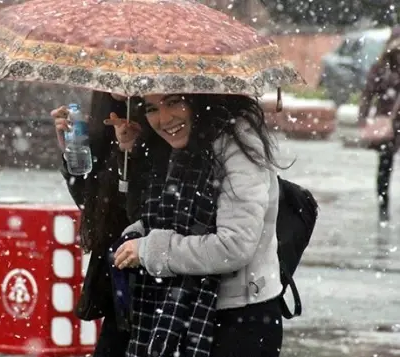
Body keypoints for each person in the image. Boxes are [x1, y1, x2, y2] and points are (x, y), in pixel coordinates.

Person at [112, 93, 284, 357]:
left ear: (198, 99)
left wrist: (151, 250)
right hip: (184, 309)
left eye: (173, 102)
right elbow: (172, 216)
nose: (164, 118)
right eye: (151, 108)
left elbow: (234, 246)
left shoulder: (237, 145)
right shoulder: (183, 145)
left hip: (237, 319)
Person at [50, 91, 170, 357]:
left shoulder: (163, 118)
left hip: (157, 279)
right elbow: (90, 203)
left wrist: (133, 153)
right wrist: (71, 154)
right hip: (119, 278)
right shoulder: (107, 115)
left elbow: (145, 210)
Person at [358, 28, 400, 224]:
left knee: (385, 165)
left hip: (394, 121)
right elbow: (367, 94)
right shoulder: (381, 67)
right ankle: (383, 204)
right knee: (385, 165)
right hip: (388, 125)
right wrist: (363, 119)